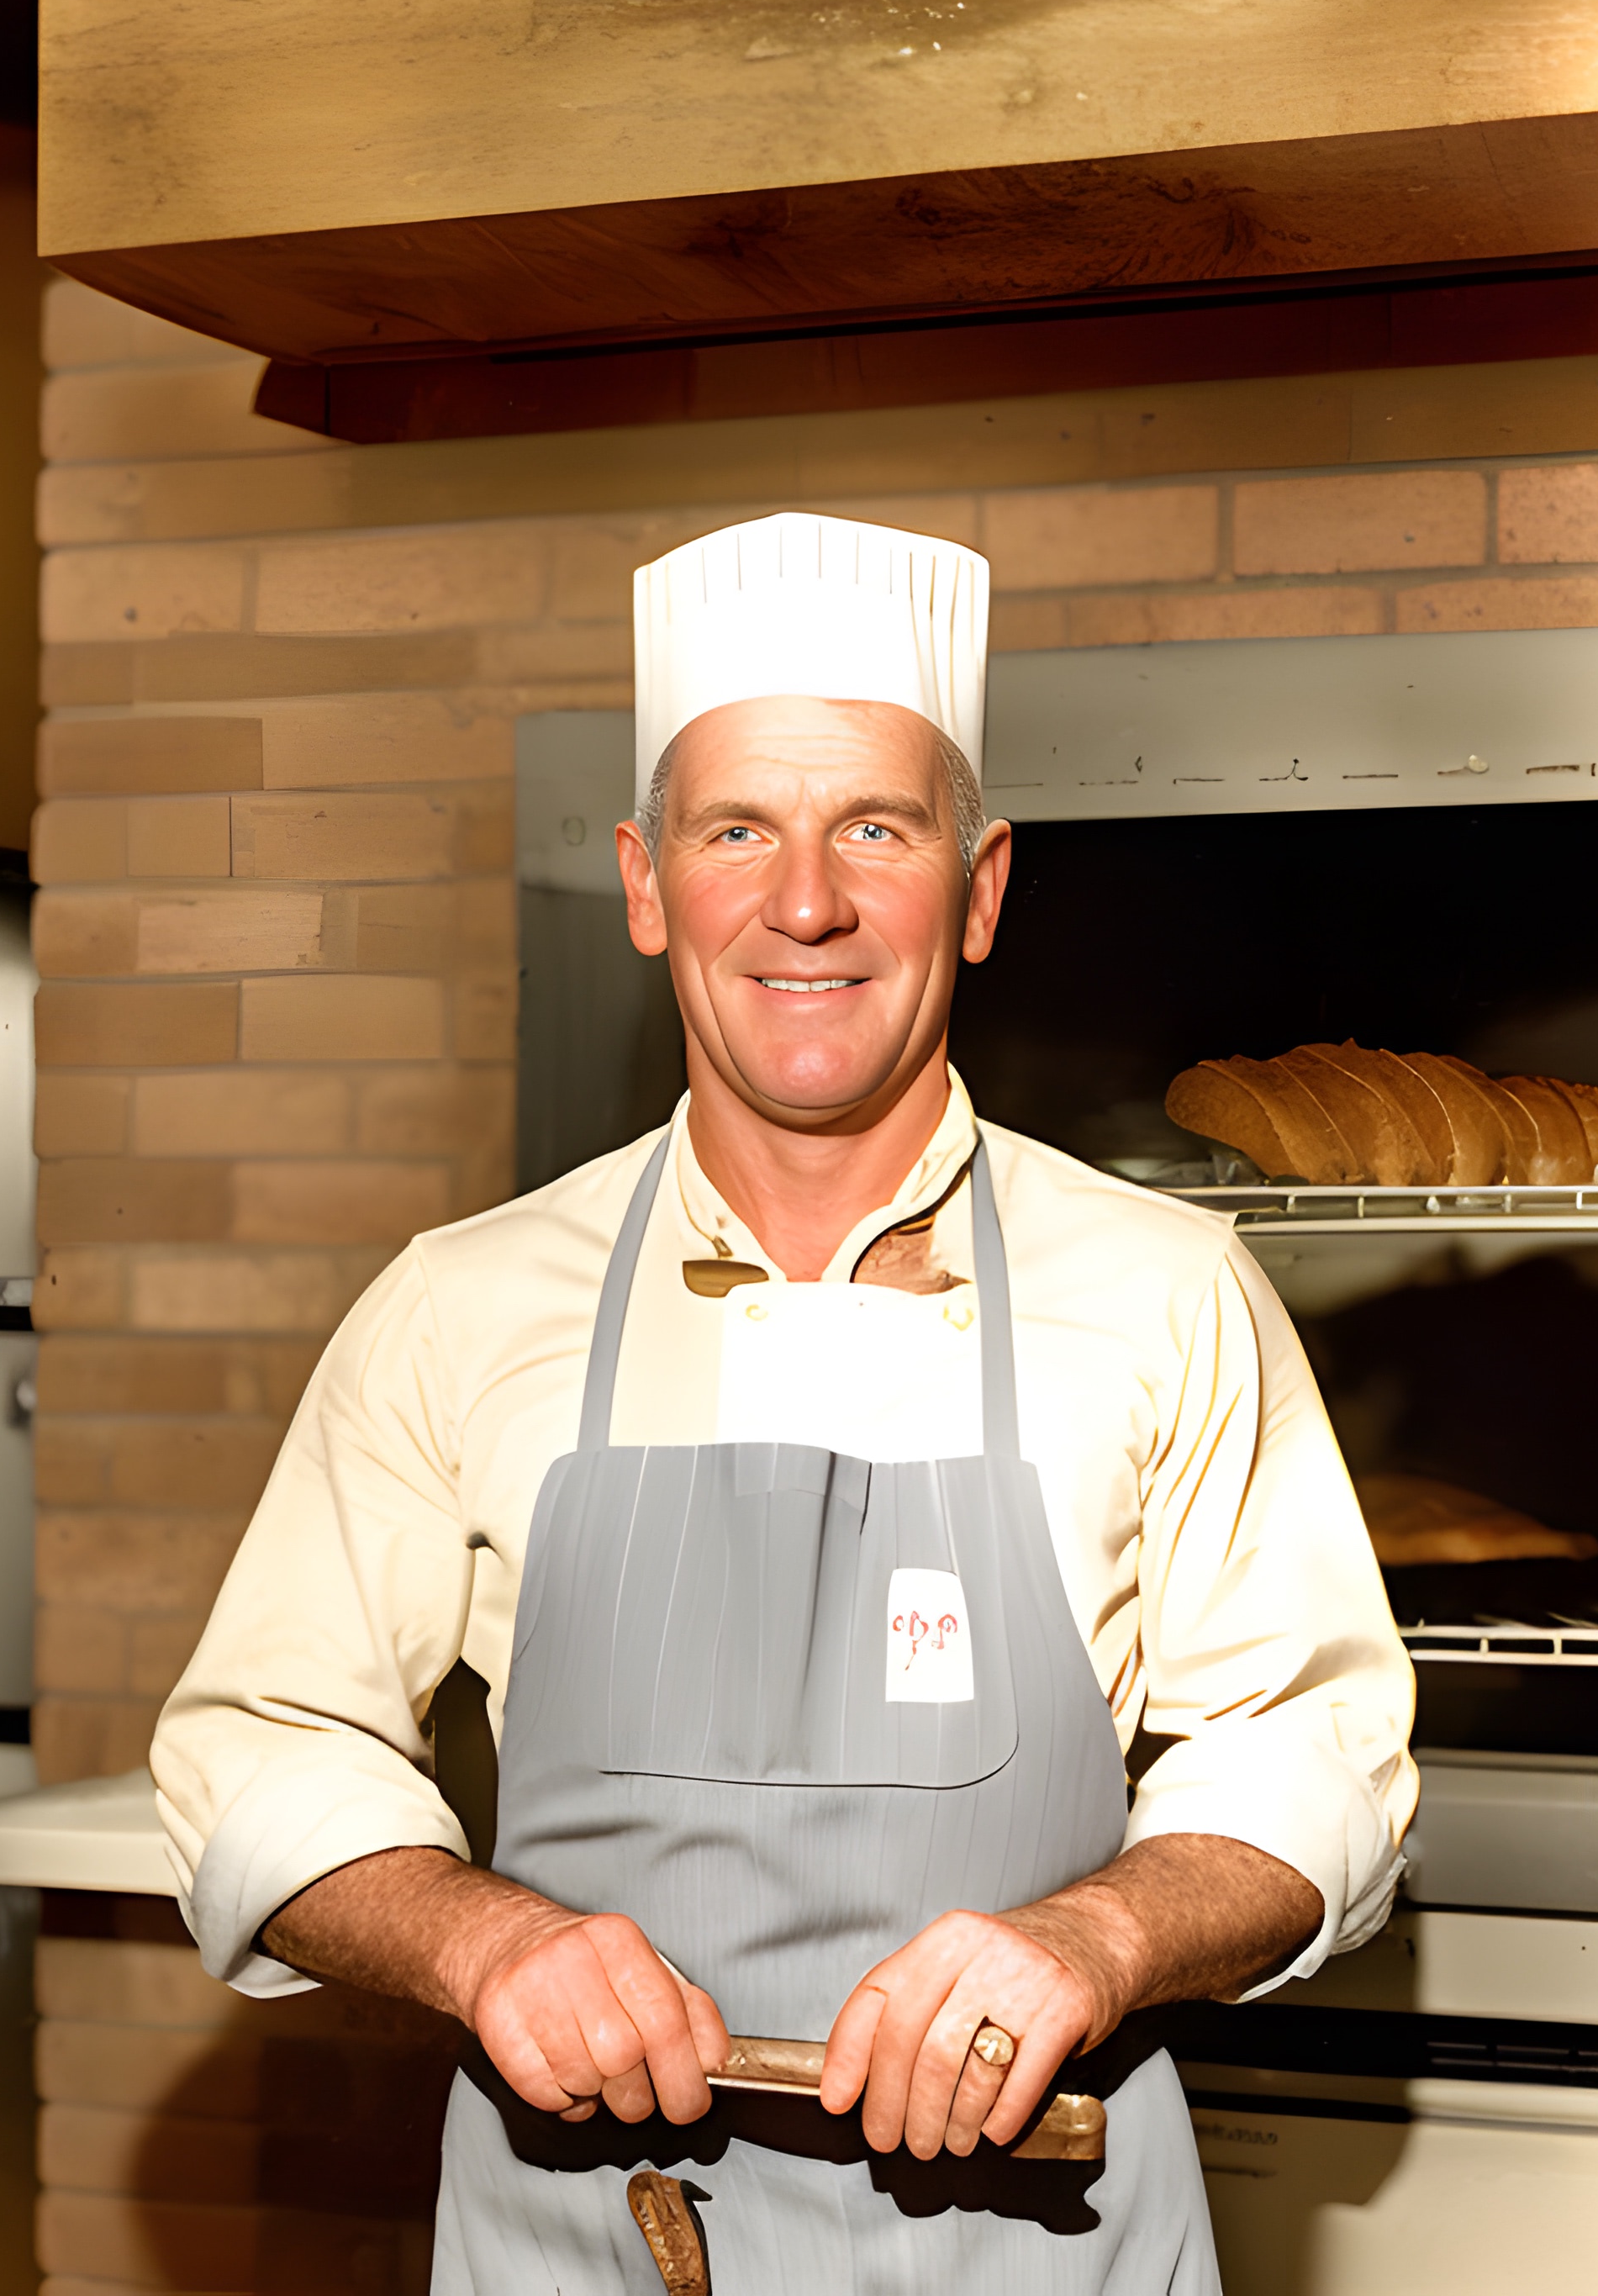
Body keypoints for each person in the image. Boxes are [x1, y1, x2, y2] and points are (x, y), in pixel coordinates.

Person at [154, 511, 1416, 2293]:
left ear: (977, 891)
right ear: (647, 881)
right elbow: (262, 1745)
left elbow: (1314, 1749)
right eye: (735, 827)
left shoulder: (1166, 1287)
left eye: (873, 831)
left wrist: (1102, 1933)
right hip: (576, 2243)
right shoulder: (458, 1302)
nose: (803, 900)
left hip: (1041, 2247)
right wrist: (479, 1941)